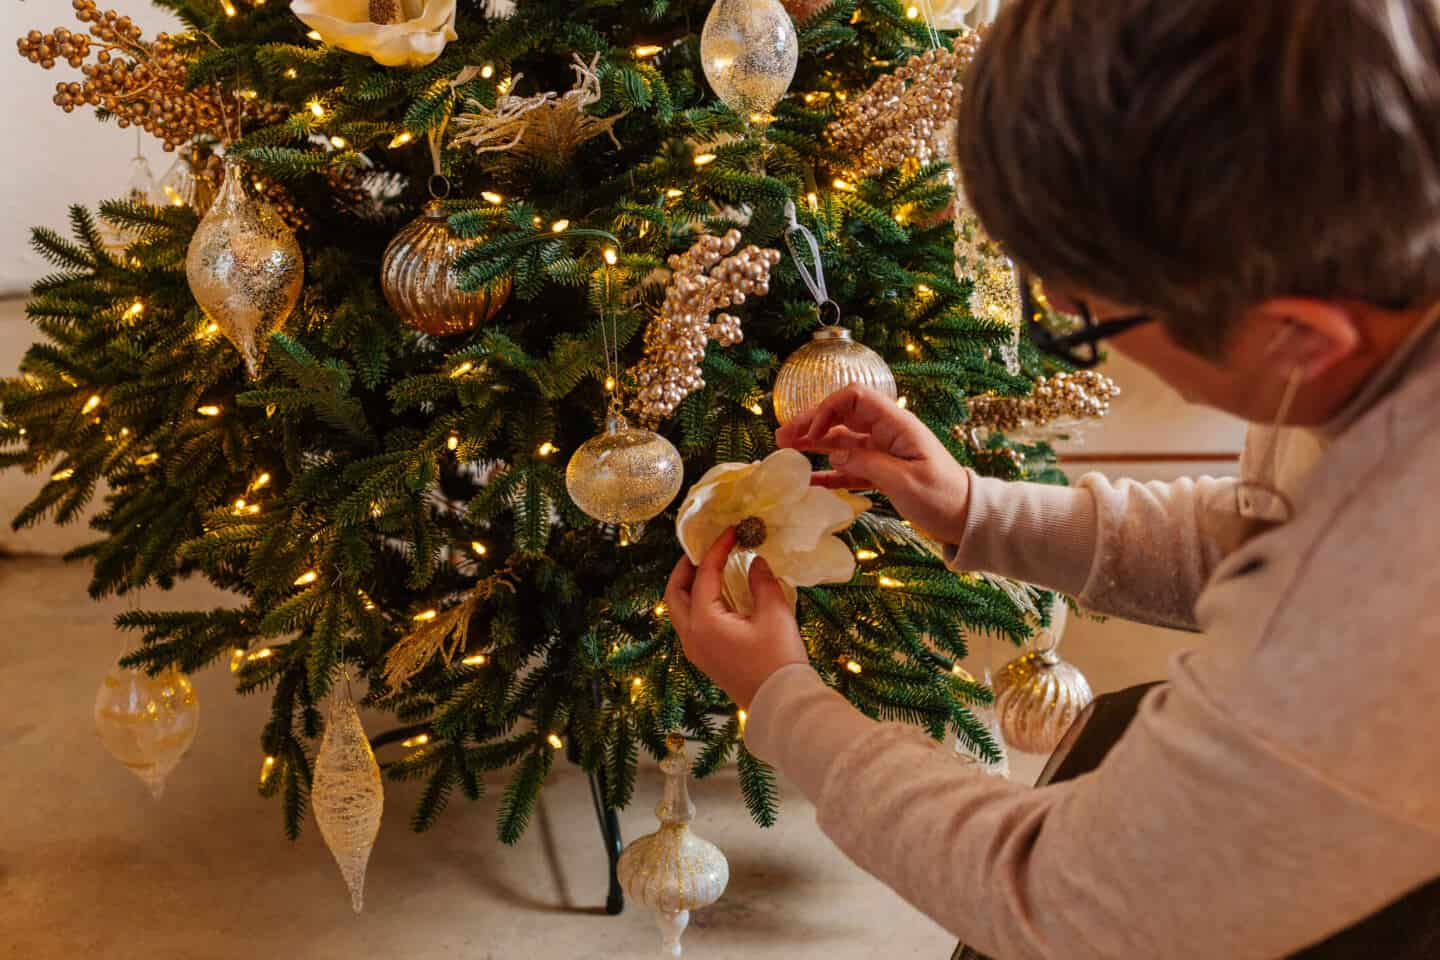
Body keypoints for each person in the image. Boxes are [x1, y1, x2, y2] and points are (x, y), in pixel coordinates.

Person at [662, 1, 1440, 956]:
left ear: (1299, 336)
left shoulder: (1392, 589)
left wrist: (782, 697)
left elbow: (1054, 900)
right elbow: (1266, 532)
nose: (1055, 322)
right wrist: (976, 511)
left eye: (1081, 320)